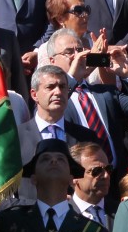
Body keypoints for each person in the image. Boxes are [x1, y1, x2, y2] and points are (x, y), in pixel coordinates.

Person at [46, 29, 128, 190]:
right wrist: (72, 79)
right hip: (78, 186)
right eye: (68, 52)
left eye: (80, 50)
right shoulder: (52, 98)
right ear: (52, 61)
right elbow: (51, 115)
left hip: (116, 181)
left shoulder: (104, 92)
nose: (76, 56)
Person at [17, 65, 98, 201]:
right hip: (28, 216)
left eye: (62, 87)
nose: (58, 92)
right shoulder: (16, 137)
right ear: (34, 94)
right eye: (50, 87)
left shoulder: (86, 137)